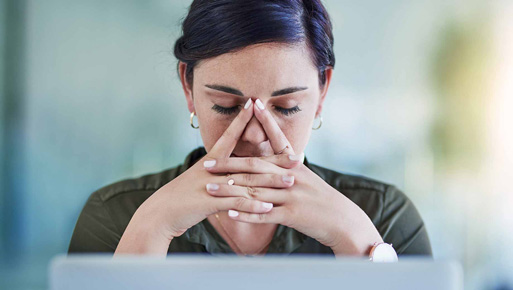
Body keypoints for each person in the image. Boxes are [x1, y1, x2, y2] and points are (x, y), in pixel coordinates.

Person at [68, 0, 432, 258]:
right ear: (188, 88)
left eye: (286, 107)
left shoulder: (385, 217)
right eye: (226, 106)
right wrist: (151, 227)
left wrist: (357, 241)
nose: (255, 136)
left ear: (322, 92)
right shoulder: (114, 216)